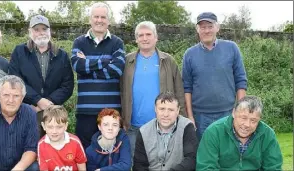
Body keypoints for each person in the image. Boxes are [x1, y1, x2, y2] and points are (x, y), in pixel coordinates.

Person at [120, 21, 186, 156]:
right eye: (141, 35)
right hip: (133, 126)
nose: (145, 38)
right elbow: (120, 91)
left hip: (163, 125)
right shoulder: (127, 61)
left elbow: (179, 92)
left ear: (156, 37)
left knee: (162, 163)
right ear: (136, 39)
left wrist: (182, 119)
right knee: (137, 164)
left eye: (148, 34)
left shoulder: (168, 61)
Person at [182, 12, 248, 140]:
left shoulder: (232, 48)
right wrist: (190, 116)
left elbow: (241, 81)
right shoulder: (189, 54)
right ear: (197, 30)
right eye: (202, 27)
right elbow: (187, 88)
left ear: (217, 27)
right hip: (200, 117)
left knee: (228, 154)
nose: (206, 30)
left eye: (210, 26)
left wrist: (239, 111)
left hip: (228, 113)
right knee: (203, 155)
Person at [9, 14, 74, 139]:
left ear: (50, 31)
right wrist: (37, 100)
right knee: (27, 149)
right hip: (27, 110)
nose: (41, 33)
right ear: (30, 32)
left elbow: (68, 85)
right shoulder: (19, 52)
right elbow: (15, 81)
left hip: (54, 114)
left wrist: (49, 103)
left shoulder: (62, 55)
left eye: (44, 29)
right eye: (36, 29)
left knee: (54, 151)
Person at [71, 2, 125, 149]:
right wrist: (105, 61)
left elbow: (117, 70)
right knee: (85, 154)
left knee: (111, 154)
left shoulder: (117, 43)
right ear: (90, 19)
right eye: (96, 16)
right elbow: (77, 66)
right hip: (85, 112)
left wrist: (88, 64)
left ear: (108, 20)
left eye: (103, 17)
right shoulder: (79, 42)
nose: (99, 20)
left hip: (111, 113)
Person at [196, 95, 283, 170]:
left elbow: (273, 167)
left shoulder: (267, 134)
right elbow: (206, 167)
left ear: (259, 119)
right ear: (233, 113)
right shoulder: (213, 132)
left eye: (253, 120)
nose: (247, 124)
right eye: (243, 118)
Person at [133, 92, 198, 171]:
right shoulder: (143, 131)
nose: (166, 114)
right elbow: (139, 165)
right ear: (155, 109)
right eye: (162, 109)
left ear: (178, 111)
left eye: (171, 110)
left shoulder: (187, 127)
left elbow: (191, 159)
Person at [38, 105, 87, 171]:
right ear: (43, 126)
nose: (54, 131)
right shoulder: (41, 145)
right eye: (50, 127)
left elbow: (82, 166)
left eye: (59, 127)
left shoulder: (75, 142)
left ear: (66, 126)